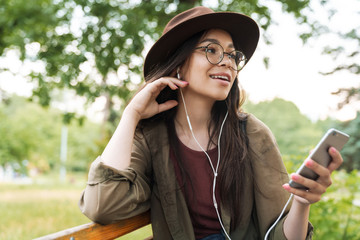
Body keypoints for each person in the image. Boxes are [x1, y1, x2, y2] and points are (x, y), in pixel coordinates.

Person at [79, 6, 343, 240]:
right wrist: (132, 114)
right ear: (178, 65)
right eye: (212, 50)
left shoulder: (253, 133)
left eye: (232, 55)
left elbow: (279, 233)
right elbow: (102, 205)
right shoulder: (150, 136)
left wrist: (300, 202)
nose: (227, 62)